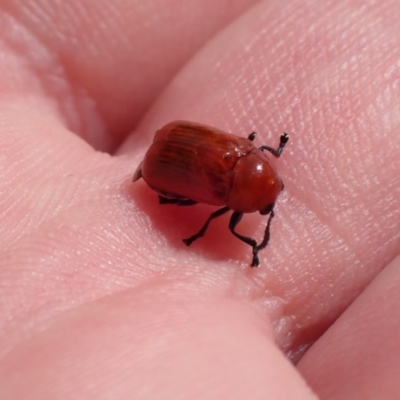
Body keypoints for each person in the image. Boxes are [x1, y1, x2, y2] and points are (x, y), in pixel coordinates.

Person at [1, 1, 399, 398]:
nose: (269, 203)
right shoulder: (230, 189)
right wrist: (248, 246)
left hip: (176, 147)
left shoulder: (247, 153)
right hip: (160, 167)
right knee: (210, 219)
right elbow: (219, 216)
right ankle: (175, 203)